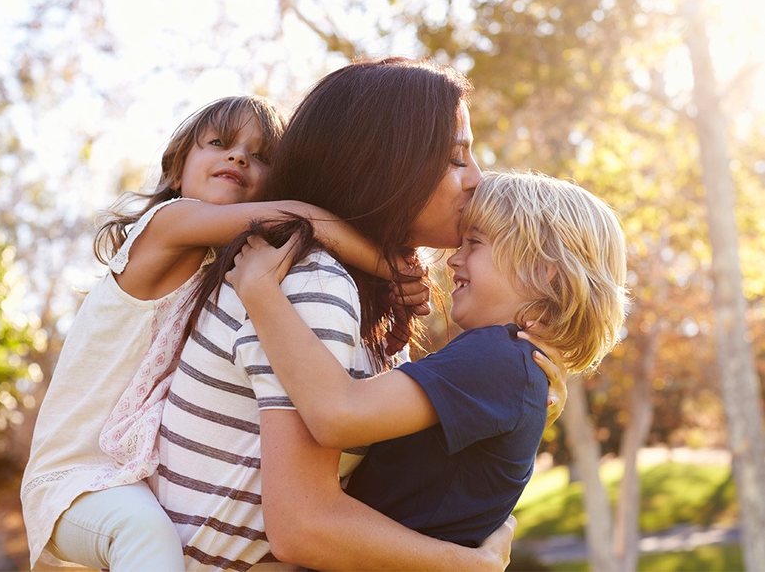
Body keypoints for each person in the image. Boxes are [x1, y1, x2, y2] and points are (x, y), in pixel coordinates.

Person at [149, 57, 566, 571]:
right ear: (387, 162)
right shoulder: (312, 285)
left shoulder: (340, 289)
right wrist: (468, 565)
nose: (476, 178)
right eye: (457, 157)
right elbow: (305, 527)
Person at [20, 95, 400, 571]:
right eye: (219, 143)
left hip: (132, 475)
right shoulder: (167, 224)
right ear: (178, 170)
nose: (239, 156)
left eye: (260, 156)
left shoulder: (223, 273)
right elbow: (299, 219)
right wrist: (391, 270)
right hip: (75, 479)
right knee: (144, 534)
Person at [228, 169, 629, 547]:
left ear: (544, 273)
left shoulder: (497, 357)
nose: (454, 258)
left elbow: (338, 413)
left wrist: (260, 291)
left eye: (475, 243)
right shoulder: (513, 365)